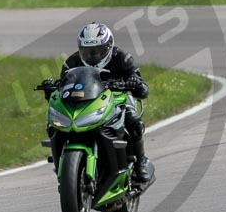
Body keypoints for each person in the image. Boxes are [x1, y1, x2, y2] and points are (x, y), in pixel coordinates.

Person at [56, 22, 154, 184]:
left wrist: (134, 84)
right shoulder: (71, 62)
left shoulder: (123, 58)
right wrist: (52, 86)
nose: (92, 56)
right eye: (86, 52)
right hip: (87, 101)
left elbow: (142, 87)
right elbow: (63, 85)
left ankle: (140, 162)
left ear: (109, 47)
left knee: (134, 121)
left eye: (97, 51)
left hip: (117, 100)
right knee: (55, 121)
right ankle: (62, 159)